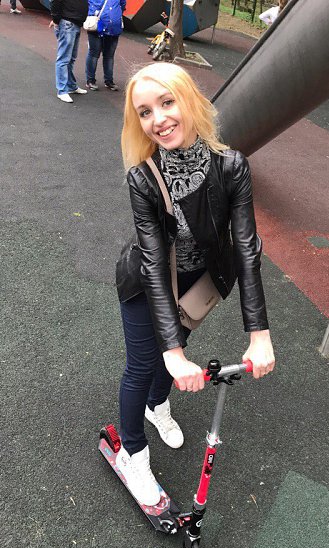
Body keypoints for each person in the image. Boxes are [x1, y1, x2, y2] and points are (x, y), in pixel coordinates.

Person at [115, 63, 275, 506]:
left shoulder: (231, 166)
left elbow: (246, 248)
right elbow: (153, 262)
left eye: (167, 103)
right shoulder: (143, 177)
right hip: (145, 282)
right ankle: (133, 453)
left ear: (189, 101)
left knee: (176, 348)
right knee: (146, 363)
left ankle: (157, 406)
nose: (159, 119)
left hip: (197, 282)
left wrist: (259, 334)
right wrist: (172, 351)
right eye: (145, 112)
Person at [49, 0, 89, 103]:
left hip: (73, 22)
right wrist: (56, 20)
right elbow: (55, 2)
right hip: (68, 22)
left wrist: (56, 20)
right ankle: (62, 91)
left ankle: (70, 86)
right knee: (64, 58)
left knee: (70, 58)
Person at [85, 0, 126, 92]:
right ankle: (92, 80)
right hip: (100, 25)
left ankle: (106, 80)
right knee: (95, 54)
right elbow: (122, 5)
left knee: (107, 56)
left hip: (110, 26)